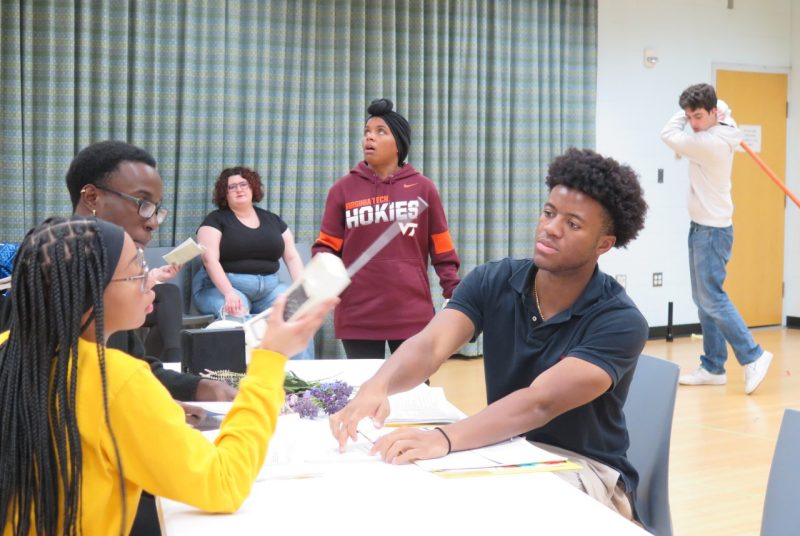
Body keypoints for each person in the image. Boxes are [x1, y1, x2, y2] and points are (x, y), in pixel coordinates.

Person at [330, 148, 650, 527]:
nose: (551, 228)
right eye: (549, 213)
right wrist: (377, 384)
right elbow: (431, 345)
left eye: (573, 224)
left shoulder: (620, 320)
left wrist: (443, 439)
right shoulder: (492, 281)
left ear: (604, 244)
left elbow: (539, 403)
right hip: (506, 447)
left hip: (584, 470)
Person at [0, 216, 334, 535]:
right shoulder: (116, 380)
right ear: (89, 294)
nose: (150, 283)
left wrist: (159, 408)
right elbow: (224, 482)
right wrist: (271, 358)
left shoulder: (9, 350)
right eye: (135, 273)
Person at [66, 140, 236, 401]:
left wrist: (202, 387)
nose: (154, 222)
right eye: (143, 203)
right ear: (92, 198)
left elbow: (136, 367)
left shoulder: (111, 279)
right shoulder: (62, 278)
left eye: (157, 210)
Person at [313, 98, 460, 358]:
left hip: (411, 313)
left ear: (398, 145)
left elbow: (442, 249)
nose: (370, 137)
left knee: (414, 392)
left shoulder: (423, 189)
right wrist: (320, 287)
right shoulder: (342, 190)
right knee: (365, 393)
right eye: (367, 132)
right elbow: (326, 249)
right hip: (358, 315)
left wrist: (455, 292)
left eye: (381, 132)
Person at [661, 83, 772, 394]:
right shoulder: (724, 123)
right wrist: (714, 108)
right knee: (704, 299)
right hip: (702, 226)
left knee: (712, 297)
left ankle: (753, 355)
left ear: (712, 113)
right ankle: (713, 366)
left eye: (697, 116)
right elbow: (721, 103)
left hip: (712, 231)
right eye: (688, 116)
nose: (692, 123)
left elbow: (667, 133)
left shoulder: (708, 142)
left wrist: (683, 118)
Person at [193, 166, 314, 360]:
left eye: (244, 184)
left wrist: (302, 289)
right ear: (225, 193)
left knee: (296, 312)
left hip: (269, 287)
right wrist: (228, 293)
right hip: (224, 286)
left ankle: (302, 380)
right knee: (237, 317)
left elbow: (291, 257)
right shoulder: (215, 220)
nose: (239, 190)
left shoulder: (273, 220)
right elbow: (209, 259)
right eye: (232, 187)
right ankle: (244, 382)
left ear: (253, 188)